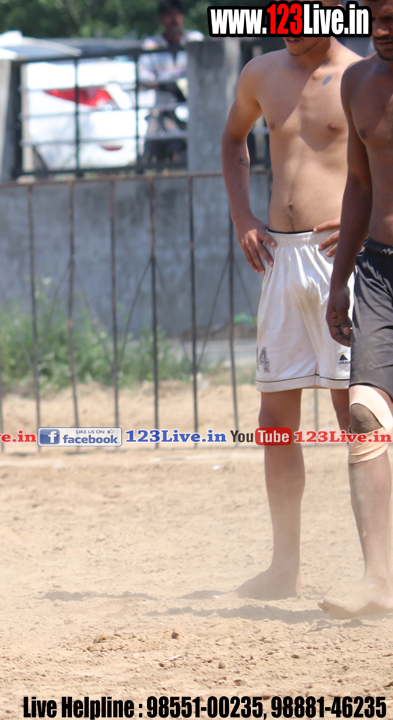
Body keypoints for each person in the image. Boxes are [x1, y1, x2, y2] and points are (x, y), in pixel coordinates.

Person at [220, 11, 359, 600]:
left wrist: (365, 224)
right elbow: (233, 139)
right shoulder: (260, 72)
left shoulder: (362, 75)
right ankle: (285, 568)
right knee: (275, 424)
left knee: (357, 418)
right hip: (280, 260)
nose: (286, 21)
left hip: (342, 263)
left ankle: (378, 569)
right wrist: (243, 216)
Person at [321, 0, 393, 619]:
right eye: (374, 18)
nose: (382, 31)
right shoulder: (357, 82)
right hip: (378, 272)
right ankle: (378, 582)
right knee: (365, 416)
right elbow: (360, 184)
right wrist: (339, 281)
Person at [139, 0, 204, 165]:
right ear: (160, 19)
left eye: (177, 14)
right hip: (163, 100)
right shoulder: (152, 45)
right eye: (169, 15)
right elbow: (143, 73)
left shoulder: (194, 40)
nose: (173, 19)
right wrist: (158, 83)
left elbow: (205, 68)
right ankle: (148, 163)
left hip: (191, 101)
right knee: (153, 128)